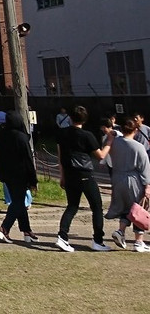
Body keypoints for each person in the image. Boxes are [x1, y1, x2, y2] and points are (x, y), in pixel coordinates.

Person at [56, 105, 112, 251]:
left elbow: (60, 156)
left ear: (69, 118)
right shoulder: (87, 135)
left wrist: (62, 176)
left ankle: (62, 236)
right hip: (84, 174)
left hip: (69, 173)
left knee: (72, 206)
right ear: (85, 119)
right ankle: (97, 240)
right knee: (97, 207)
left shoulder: (62, 134)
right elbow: (100, 155)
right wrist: (109, 143)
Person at [104, 115, 150, 252]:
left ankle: (121, 231)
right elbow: (145, 167)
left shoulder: (114, 143)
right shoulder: (138, 146)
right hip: (133, 179)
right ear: (135, 130)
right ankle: (138, 241)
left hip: (117, 177)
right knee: (138, 208)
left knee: (125, 208)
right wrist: (147, 185)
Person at [0, 110, 39, 244]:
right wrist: (33, 180)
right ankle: (4, 228)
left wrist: (0, 174)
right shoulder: (21, 137)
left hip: (7, 174)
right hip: (20, 174)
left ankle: (27, 231)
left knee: (18, 201)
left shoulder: (2, 136)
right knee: (18, 202)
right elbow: (28, 160)